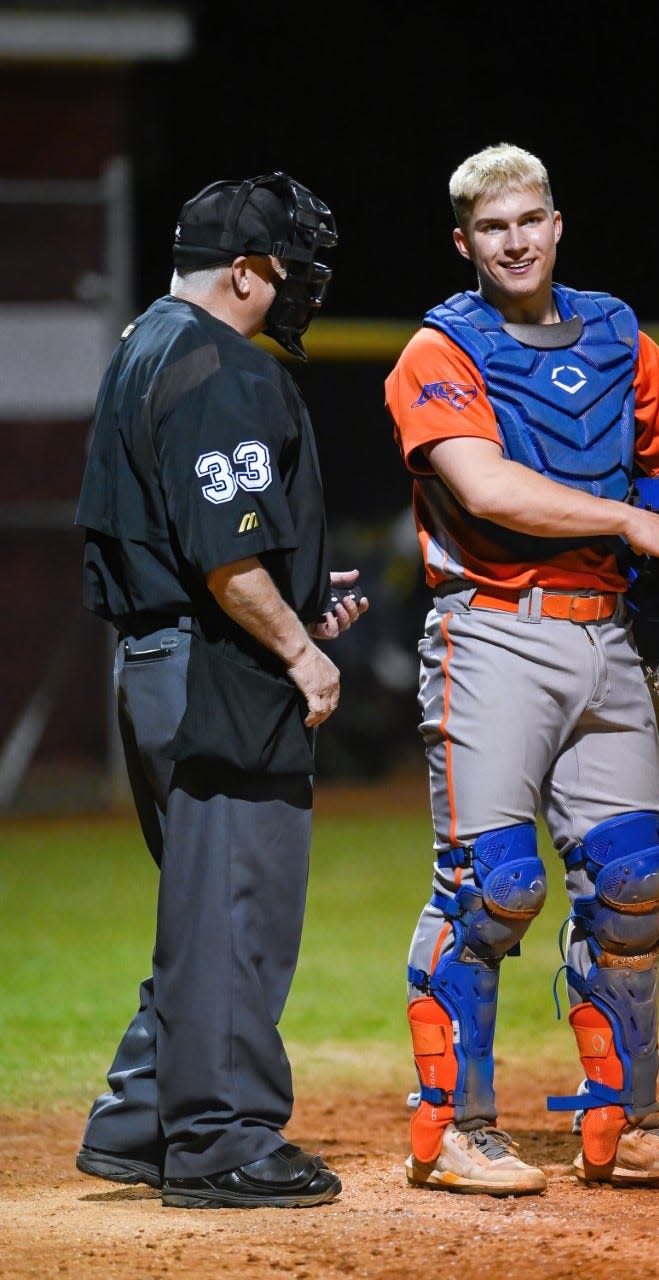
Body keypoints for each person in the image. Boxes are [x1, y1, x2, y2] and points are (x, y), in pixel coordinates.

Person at [384, 143, 659, 1196]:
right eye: (491, 227)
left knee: (635, 877)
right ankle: (455, 1125)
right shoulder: (437, 349)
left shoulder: (615, 330)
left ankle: (629, 1121)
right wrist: (626, 519)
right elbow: (485, 485)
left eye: (530, 220)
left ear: (557, 224)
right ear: (464, 242)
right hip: (493, 632)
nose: (515, 240)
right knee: (493, 887)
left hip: (605, 633)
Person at [74, 172, 368, 1209]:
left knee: (203, 905)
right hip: (215, 674)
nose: (299, 287)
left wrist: (293, 600)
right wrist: (300, 648)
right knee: (241, 909)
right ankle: (223, 1138)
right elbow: (228, 558)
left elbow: (195, 540)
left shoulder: (145, 342)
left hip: (163, 663)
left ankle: (141, 1117)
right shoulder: (218, 363)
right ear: (245, 272)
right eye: (289, 267)